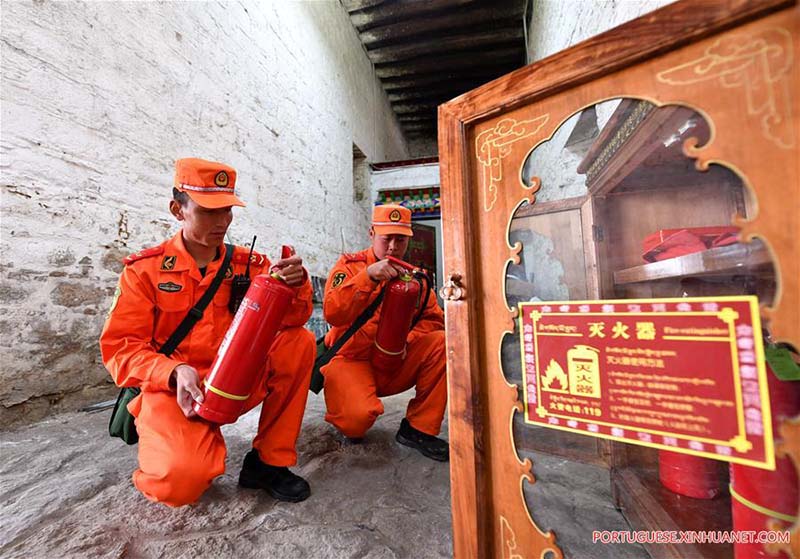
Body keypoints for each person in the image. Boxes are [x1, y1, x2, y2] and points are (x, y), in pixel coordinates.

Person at [100, 157, 316, 507]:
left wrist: (297, 284)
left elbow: (294, 319)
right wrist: (173, 371)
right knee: (178, 486)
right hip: (174, 390)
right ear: (178, 210)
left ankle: (268, 463)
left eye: (227, 210)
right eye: (208, 211)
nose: (222, 222)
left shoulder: (251, 265)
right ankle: (181, 444)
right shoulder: (144, 271)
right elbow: (121, 349)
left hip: (235, 380)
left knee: (298, 341)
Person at [321, 204, 449, 461]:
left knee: (444, 343)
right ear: (372, 233)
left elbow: (434, 321)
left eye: (400, 239)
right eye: (386, 238)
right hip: (351, 360)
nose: (392, 246)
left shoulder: (417, 279)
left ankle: (418, 429)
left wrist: (404, 342)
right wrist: (368, 277)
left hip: (393, 360)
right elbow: (332, 313)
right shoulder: (350, 267)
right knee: (356, 422)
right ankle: (350, 403)